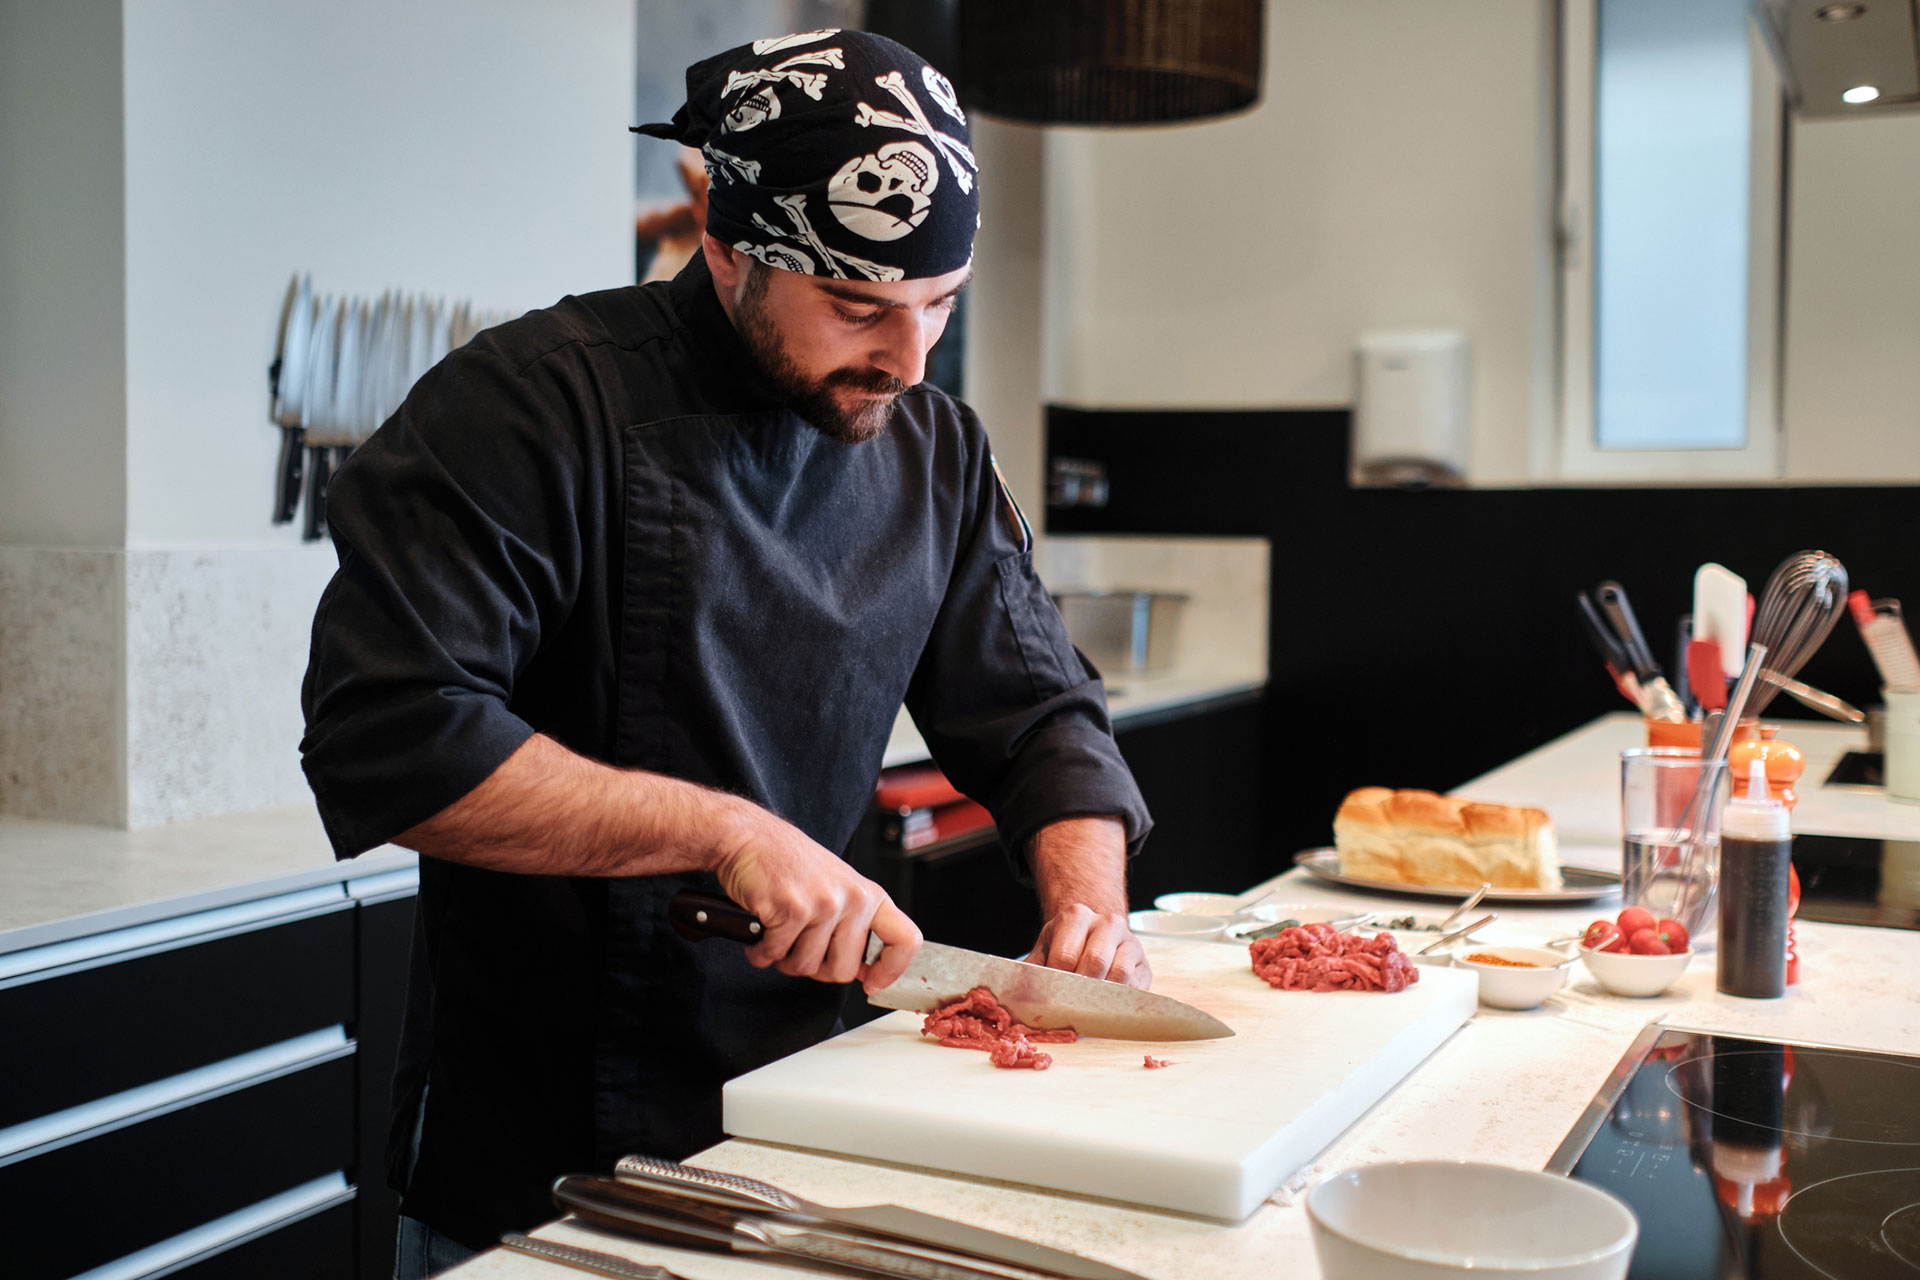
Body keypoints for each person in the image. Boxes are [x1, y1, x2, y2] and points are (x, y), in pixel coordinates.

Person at [299, 29, 1152, 1278]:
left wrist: (1088, 904)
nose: (907, 360)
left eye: (939, 304)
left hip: (814, 1116)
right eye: (859, 305)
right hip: (544, 1151)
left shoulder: (936, 451)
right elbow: (395, 732)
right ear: (727, 245)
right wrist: (729, 831)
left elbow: (1043, 720)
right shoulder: (529, 405)